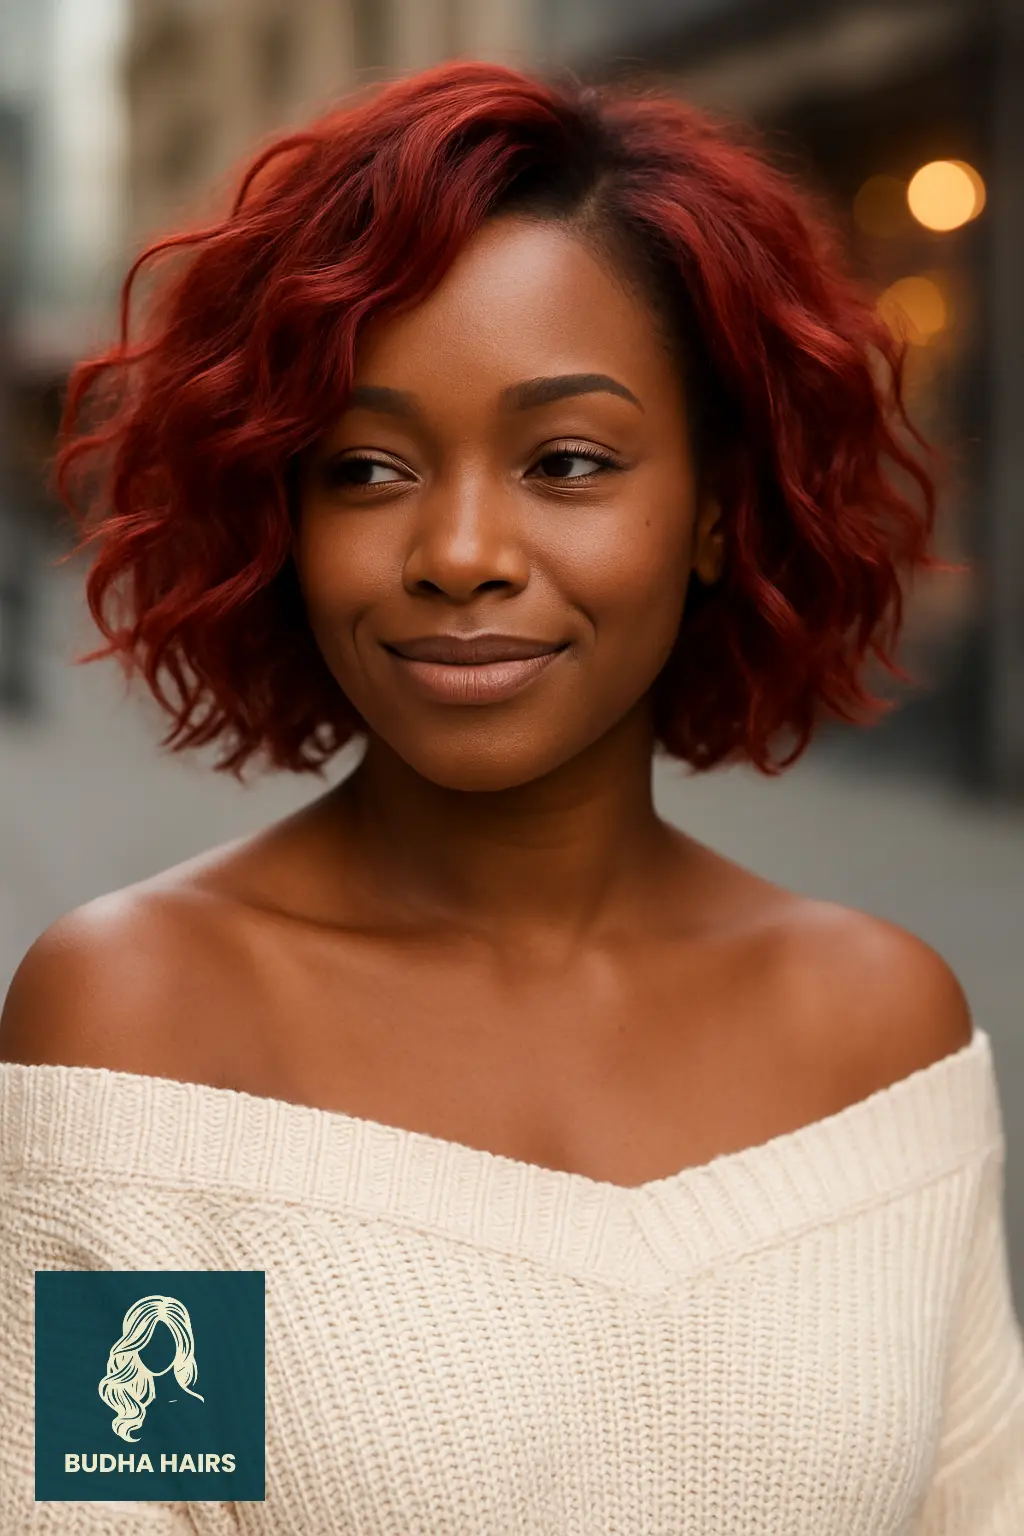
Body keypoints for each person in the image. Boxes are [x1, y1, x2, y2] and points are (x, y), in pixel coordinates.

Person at [1, 59, 1021, 1533]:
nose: (461, 549)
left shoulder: (879, 1033)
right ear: (279, 518)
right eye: (365, 466)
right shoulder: (156, 1032)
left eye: (567, 460)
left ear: (719, 512)